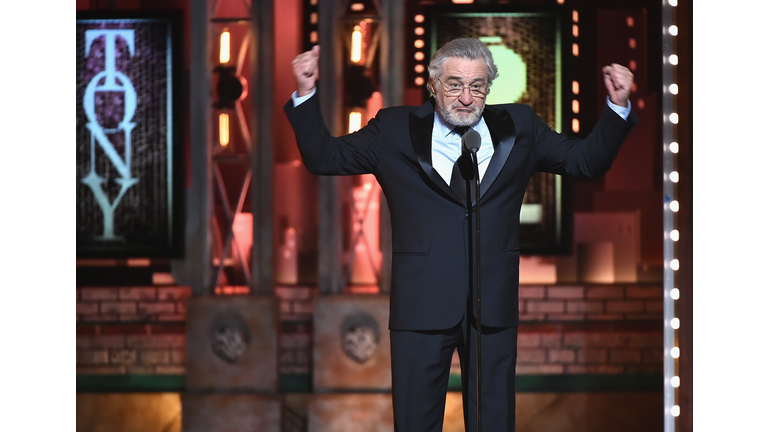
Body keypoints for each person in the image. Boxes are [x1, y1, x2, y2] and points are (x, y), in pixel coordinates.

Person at [285, 38, 637, 432]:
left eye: (478, 86)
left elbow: (585, 162)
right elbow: (325, 157)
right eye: (454, 84)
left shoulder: (520, 127)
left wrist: (617, 107)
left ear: (489, 89)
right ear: (434, 85)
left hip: (492, 308)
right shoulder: (395, 129)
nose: (466, 97)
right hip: (421, 307)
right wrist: (305, 92)